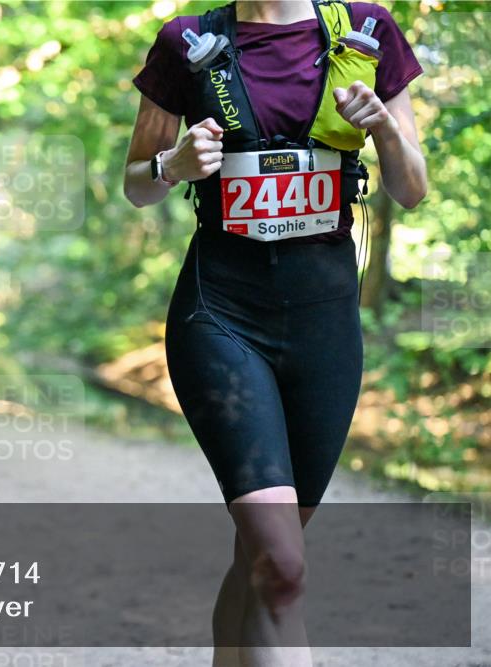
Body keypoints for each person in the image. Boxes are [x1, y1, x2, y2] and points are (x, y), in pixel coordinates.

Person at [124, 1, 425, 665]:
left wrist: (383, 128)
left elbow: (412, 189)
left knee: (264, 558)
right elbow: (136, 184)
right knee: (283, 564)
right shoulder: (187, 40)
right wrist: (171, 166)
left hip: (325, 324)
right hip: (222, 317)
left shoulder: (366, 33)